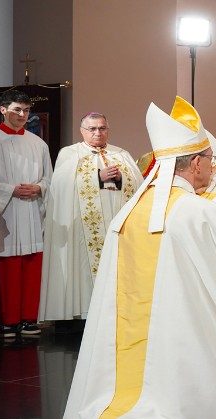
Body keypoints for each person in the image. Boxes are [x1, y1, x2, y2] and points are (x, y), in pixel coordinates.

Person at [64, 96, 216, 419]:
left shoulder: (129, 212)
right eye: (209, 159)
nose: (214, 166)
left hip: (129, 335)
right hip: (184, 340)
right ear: (196, 163)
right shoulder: (198, 211)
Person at [38, 112, 143, 325]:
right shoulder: (70, 154)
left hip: (115, 222)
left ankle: (116, 311)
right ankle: (83, 313)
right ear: (82, 131)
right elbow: (60, 186)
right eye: (92, 129)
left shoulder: (121, 154)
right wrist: (97, 177)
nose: (97, 132)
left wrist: (122, 177)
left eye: (102, 128)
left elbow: (138, 184)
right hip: (84, 228)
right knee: (84, 267)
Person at [0, 90, 53, 338]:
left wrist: (39, 187)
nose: (23, 115)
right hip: (5, 211)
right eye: (17, 110)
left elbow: (48, 179)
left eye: (26, 110)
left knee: (31, 261)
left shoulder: (38, 143)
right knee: (6, 264)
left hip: (32, 209)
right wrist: (9, 189)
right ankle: (7, 320)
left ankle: (28, 318)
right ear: (3, 109)